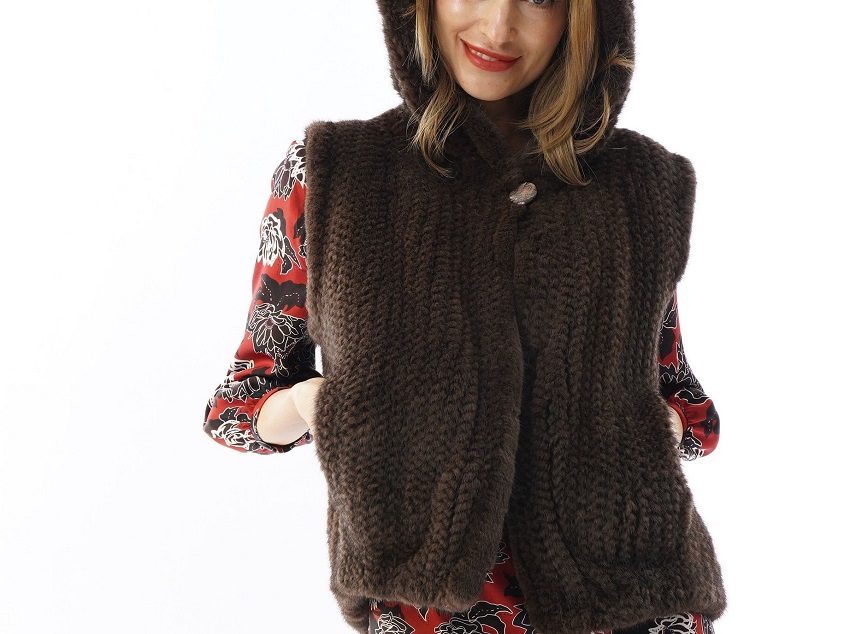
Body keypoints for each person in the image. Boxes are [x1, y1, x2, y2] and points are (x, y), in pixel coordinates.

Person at [204, 1, 726, 633]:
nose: (498, 27)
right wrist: (317, 404)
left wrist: (657, 426)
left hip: (637, 604)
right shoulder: (332, 173)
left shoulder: (643, 184)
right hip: (430, 612)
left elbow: (690, 412)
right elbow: (237, 407)